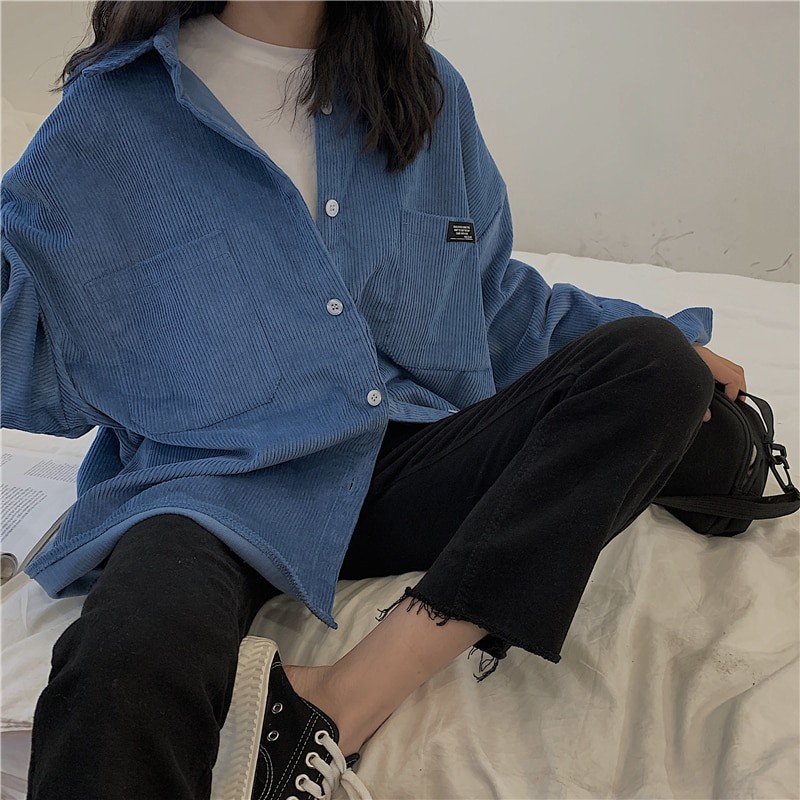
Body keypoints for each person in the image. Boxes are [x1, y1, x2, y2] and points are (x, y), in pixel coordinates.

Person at [0, 2, 747, 799]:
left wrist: (661, 343)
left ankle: (346, 699)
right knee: (126, 661)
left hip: (411, 456)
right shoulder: (113, 111)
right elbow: (26, 341)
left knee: (652, 365)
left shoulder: (423, 92)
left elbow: (491, 300)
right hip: (215, 482)